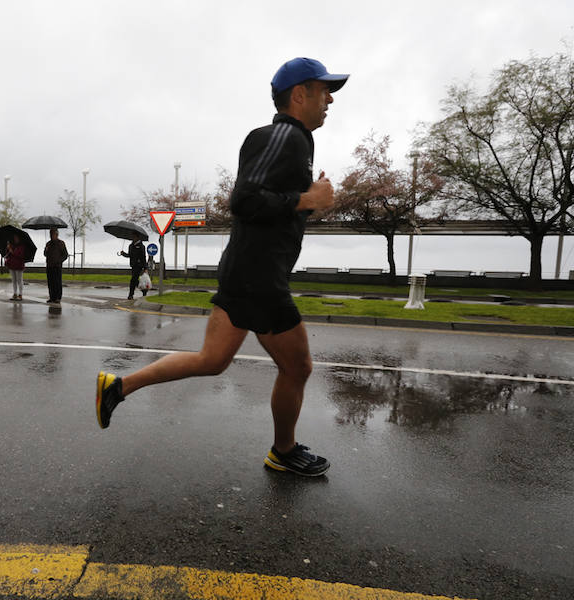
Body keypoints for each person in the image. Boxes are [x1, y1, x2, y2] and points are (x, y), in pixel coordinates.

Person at [95, 57, 348, 477]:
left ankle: (118, 387)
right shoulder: (279, 136)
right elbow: (244, 201)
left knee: (212, 360)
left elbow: (270, 209)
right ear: (300, 95)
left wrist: (309, 199)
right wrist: (308, 199)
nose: (331, 99)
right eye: (325, 90)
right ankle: (283, 452)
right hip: (259, 278)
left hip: (248, 272)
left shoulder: (297, 141)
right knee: (298, 367)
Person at [43, 228, 68, 303]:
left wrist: (59, 261)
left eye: (53, 234)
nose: (52, 236)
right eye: (50, 234)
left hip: (57, 266)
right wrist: (46, 250)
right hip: (49, 266)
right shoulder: (48, 244)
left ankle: (58, 298)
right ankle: (52, 297)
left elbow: (65, 255)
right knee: (50, 283)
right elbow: (45, 254)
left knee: (57, 283)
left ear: (57, 234)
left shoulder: (61, 243)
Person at [119, 233, 146, 300]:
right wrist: (123, 254)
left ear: (137, 237)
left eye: (134, 237)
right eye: (132, 237)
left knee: (133, 280)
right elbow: (130, 255)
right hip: (133, 265)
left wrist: (145, 267)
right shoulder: (131, 245)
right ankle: (143, 290)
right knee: (135, 280)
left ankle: (131, 295)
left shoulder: (141, 246)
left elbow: (143, 257)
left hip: (139, 265)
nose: (132, 238)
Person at [5, 234, 26, 301]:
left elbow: (20, 255)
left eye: (16, 238)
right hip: (12, 265)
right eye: (14, 238)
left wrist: (12, 252)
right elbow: (7, 254)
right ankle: (15, 293)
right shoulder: (11, 245)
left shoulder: (22, 246)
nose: (15, 239)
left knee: (19, 280)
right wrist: (8, 248)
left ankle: (20, 294)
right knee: (13, 280)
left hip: (19, 265)